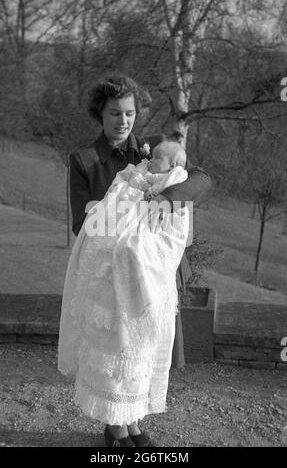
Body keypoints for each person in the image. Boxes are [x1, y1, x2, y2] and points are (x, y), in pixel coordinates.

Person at [58, 74, 212, 447]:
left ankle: (134, 421)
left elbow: (202, 179)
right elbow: (83, 221)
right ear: (101, 114)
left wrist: (166, 196)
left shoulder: (150, 151)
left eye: (129, 113)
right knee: (115, 347)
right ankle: (116, 425)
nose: (123, 121)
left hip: (150, 270)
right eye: (114, 113)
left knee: (141, 350)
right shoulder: (84, 160)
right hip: (110, 270)